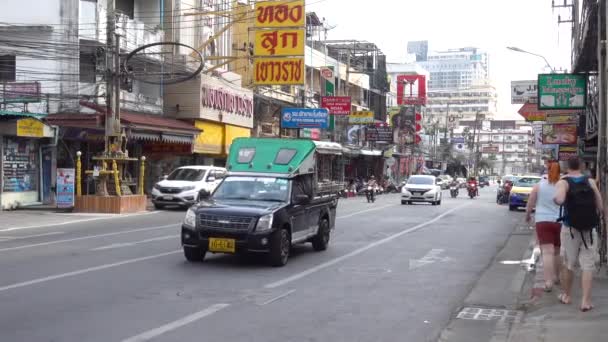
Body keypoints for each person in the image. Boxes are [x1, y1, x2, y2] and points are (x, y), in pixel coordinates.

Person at [554, 157, 604, 312]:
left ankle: (567, 296)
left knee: (569, 263)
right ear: (581, 166)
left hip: (570, 229)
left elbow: (560, 199)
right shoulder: (590, 182)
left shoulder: (563, 182)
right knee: (587, 265)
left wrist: (556, 199)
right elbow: (600, 206)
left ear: (567, 167)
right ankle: (585, 301)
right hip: (589, 229)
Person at [525, 161, 562, 292]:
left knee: (547, 252)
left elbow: (530, 203)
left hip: (542, 221)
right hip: (560, 222)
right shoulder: (563, 184)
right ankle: (557, 277)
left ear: (547, 169)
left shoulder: (539, 185)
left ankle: (548, 282)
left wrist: (528, 215)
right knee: (557, 252)